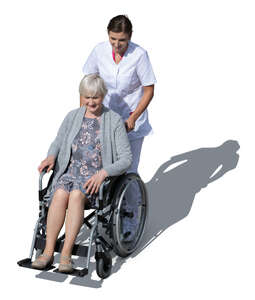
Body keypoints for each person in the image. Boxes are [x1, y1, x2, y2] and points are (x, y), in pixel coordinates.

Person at [31, 74, 132, 273]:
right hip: (69, 174)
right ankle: (48, 252)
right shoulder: (72, 116)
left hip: (94, 180)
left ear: (103, 96)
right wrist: (51, 156)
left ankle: (66, 255)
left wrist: (104, 172)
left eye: (95, 97)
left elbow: (126, 158)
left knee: (76, 196)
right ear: (81, 95)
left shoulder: (113, 121)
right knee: (59, 194)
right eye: (86, 96)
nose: (90, 101)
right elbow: (58, 142)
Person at [82, 15, 156, 240]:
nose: (117, 44)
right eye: (113, 39)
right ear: (108, 35)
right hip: (104, 120)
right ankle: (103, 211)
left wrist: (134, 116)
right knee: (101, 167)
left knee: (128, 171)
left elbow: (149, 89)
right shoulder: (99, 51)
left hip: (130, 123)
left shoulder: (139, 55)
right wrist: (84, 116)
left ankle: (129, 222)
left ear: (130, 37)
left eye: (122, 40)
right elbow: (88, 83)